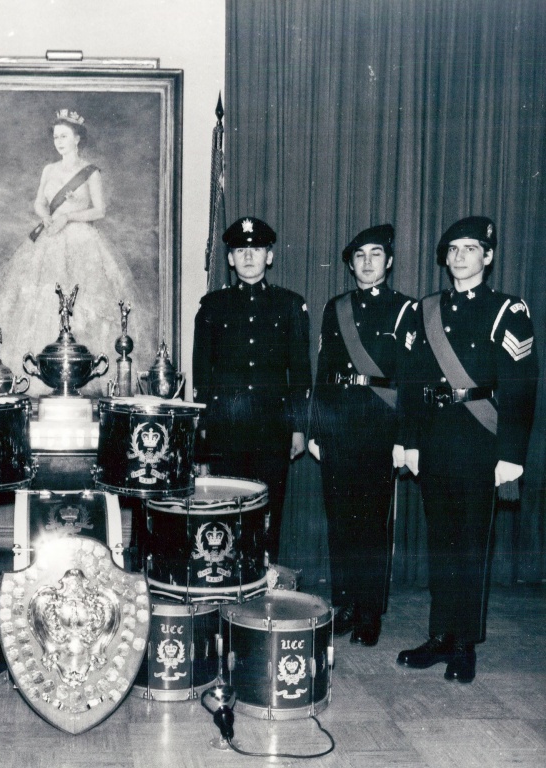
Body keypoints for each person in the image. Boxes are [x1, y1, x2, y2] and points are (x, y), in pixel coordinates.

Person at [394, 216, 537, 683]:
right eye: (453, 249)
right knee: (441, 543)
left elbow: (520, 385)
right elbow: (411, 380)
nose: (459, 257)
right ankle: (440, 635)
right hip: (435, 438)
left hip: (480, 441)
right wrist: (409, 440)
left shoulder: (507, 309)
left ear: (488, 256)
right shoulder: (426, 309)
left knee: (472, 546)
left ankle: (464, 645)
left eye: (470, 248)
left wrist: (511, 455)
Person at [0, 109, 153, 390]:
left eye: (64, 136)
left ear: (77, 138)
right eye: (56, 137)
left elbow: (100, 210)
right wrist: (45, 216)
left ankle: (84, 378)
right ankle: (39, 378)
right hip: (50, 239)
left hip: (82, 242)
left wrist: (68, 217)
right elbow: (39, 202)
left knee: (85, 304)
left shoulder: (91, 172)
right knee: (39, 302)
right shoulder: (49, 170)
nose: (59, 142)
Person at [308, 224, 414, 646]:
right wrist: (317, 428)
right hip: (338, 424)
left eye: (376, 254)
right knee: (341, 520)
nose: (367, 263)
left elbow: (409, 380)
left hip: (380, 426)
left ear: (389, 261)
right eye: (359, 256)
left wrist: (404, 438)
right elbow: (324, 370)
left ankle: (370, 611)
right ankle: (347, 603)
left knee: (372, 523)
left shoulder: (406, 310)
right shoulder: (336, 308)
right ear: (350, 265)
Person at [192, 216, 311, 563]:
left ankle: (264, 579)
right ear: (230, 259)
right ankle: (227, 583)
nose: (248, 256)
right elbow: (202, 374)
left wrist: (298, 426)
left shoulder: (290, 305)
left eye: (256, 249)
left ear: (269, 256)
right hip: (225, 429)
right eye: (240, 250)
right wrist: (204, 431)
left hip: (272, 429)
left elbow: (300, 373)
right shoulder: (212, 306)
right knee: (227, 512)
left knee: (268, 511)